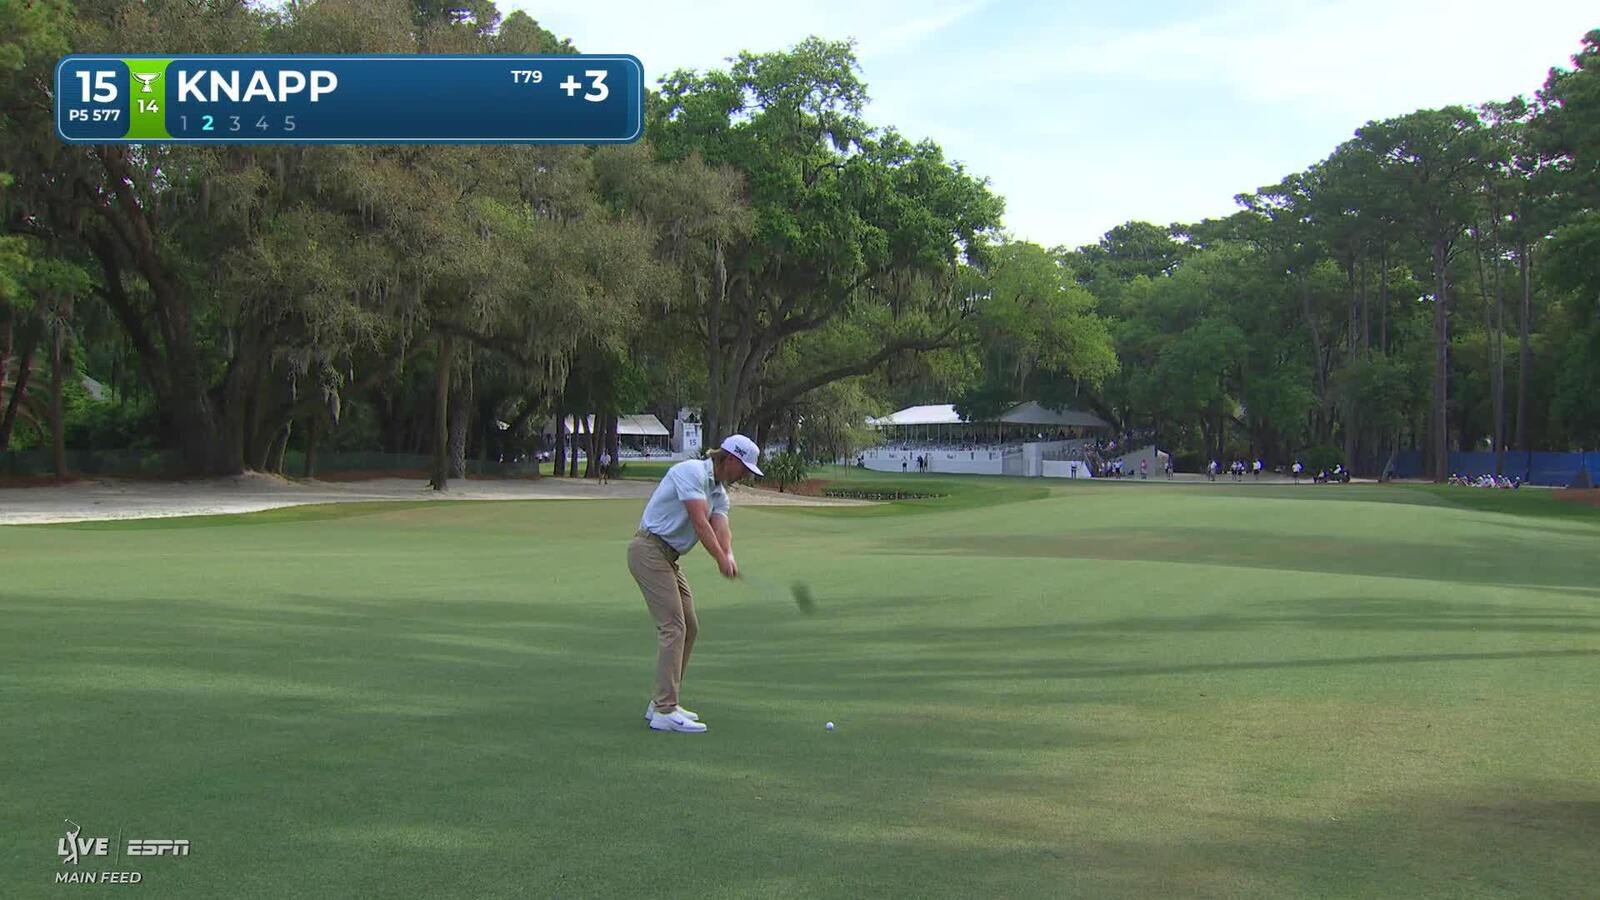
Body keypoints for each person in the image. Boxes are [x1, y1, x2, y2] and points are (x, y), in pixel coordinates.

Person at [629, 434, 763, 734]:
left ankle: (663, 702)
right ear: (729, 459)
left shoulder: (719, 492)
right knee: (673, 627)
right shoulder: (691, 472)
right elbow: (700, 522)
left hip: (668, 558)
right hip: (648, 550)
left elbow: (720, 525)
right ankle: (665, 709)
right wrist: (719, 559)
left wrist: (728, 553)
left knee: (689, 625)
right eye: (744, 469)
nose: (744, 476)